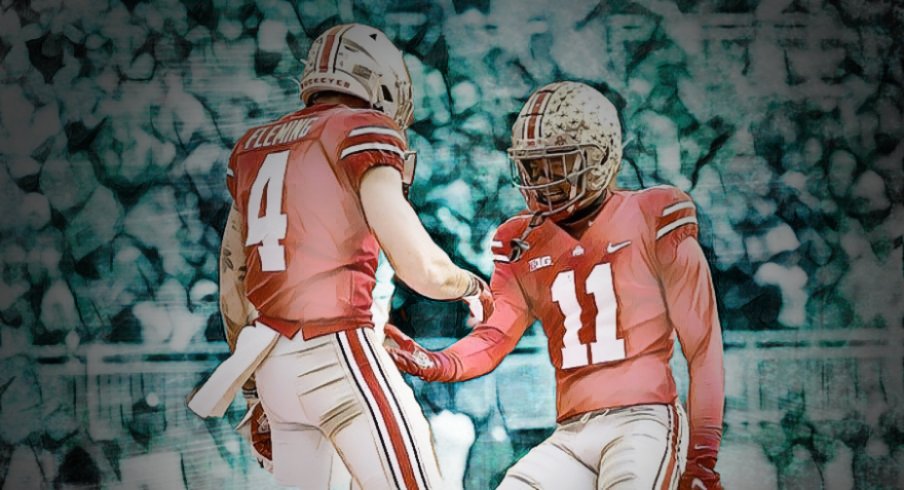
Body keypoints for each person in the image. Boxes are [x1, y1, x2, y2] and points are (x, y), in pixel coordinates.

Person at [385, 81, 725, 489]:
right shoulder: (520, 242)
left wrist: (702, 458)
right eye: (533, 165)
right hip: (572, 434)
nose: (541, 179)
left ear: (599, 157)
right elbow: (494, 337)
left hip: (644, 422)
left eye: (557, 163)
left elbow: (703, 348)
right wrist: (433, 362)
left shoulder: (654, 216)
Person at [209, 23, 493, 489]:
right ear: (381, 85)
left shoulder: (253, 147)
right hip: (337, 349)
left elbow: (232, 282)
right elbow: (421, 268)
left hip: (272, 362)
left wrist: (254, 387)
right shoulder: (362, 128)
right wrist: (471, 286)